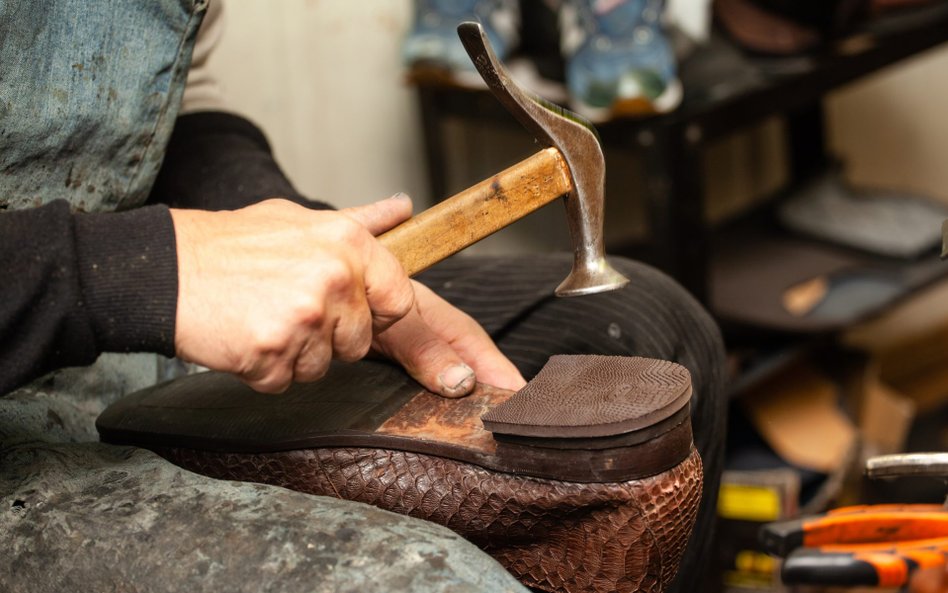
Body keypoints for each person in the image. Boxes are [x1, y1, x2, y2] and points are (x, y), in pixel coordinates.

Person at [0, 2, 726, 592]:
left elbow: (169, 105)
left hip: (153, 302)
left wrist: (289, 237)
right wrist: (136, 273)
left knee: (646, 330)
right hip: (39, 366)